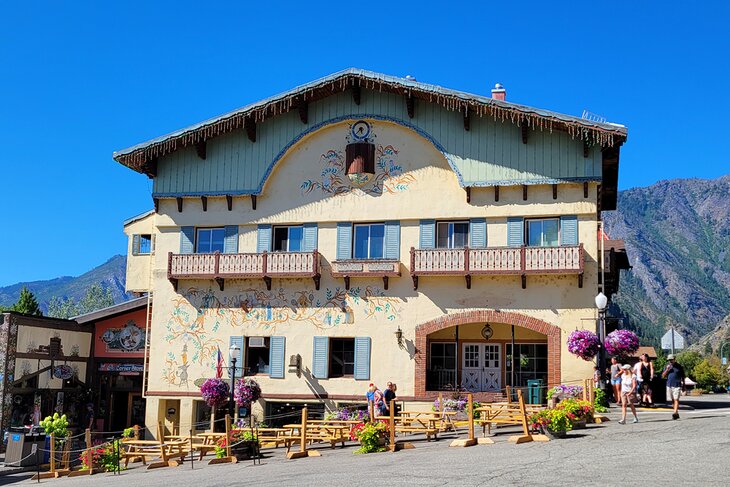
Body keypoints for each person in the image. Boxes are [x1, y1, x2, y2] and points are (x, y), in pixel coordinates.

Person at [662, 354, 685, 420]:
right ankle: (676, 413)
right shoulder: (667, 366)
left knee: (676, 399)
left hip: (677, 385)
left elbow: (683, 377)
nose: (670, 361)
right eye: (669, 360)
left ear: (674, 359)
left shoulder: (679, 366)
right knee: (672, 400)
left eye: (671, 359)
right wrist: (667, 369)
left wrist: (684, 386)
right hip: (669, 385)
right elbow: (663, 376)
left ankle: (675, 412)